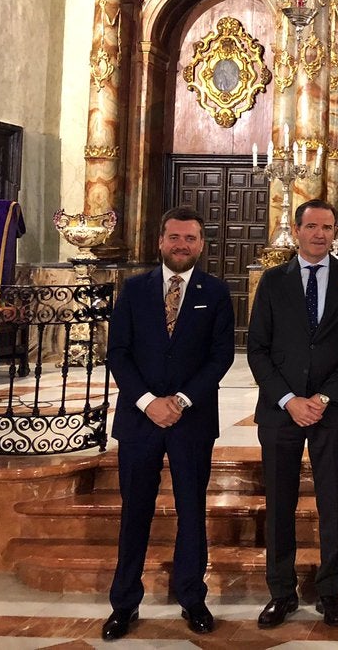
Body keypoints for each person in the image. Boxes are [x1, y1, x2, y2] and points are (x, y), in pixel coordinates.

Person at [102, 206, 234, 640]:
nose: (182, 245)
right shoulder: (134, 289)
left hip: (191, 419)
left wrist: (178, 400)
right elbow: (118, 351)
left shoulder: (215, 292)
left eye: (191, 238)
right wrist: (146, 402)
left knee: (192, 511)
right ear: (160, 241)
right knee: (134, 512)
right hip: (139, 421)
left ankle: (192, 598)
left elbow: (221, 356)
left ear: (201, 244)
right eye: (175, 237)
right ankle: (123, 603)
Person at [247, 199, 338, 629]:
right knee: (279, 500)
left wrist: (322, 399)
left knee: (332, 499)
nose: (320, 234)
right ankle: (281, 592)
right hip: (280, 412)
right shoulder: (272, 281)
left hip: (331, 411)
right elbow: (257, 348)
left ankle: (330, 590)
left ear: (336, 232)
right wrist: (289, 400)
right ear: (296, 230)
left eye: (328, 227)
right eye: (312, 226)